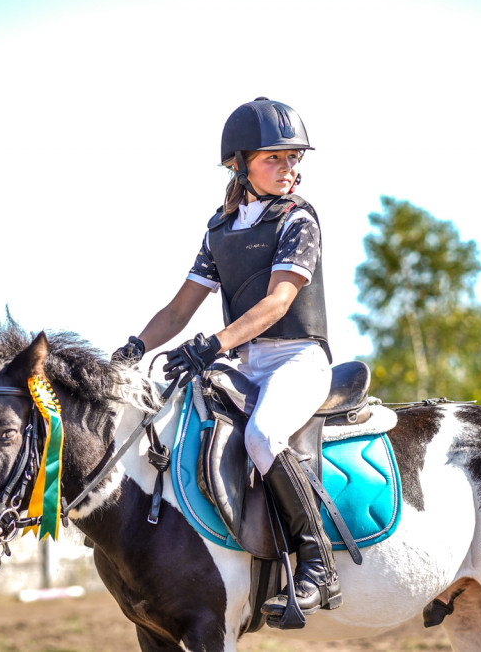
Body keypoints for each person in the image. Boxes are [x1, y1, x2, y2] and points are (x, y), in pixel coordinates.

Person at [113, 97, 339, 618]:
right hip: (243, 361)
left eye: (293, 158)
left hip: (297, 359)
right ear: (240, 164)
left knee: (262, 436)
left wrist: (215, 344)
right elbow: (179, 309)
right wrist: (135, 348)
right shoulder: (220, 229)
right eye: (274, 159)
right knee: (174, 423)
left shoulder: (299, 219)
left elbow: (278, 302)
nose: (289, 169)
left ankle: (317, 561)